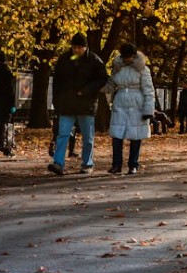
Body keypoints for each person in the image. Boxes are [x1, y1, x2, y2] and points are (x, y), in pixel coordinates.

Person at [48, 32, 108, 176]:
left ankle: (87, 164)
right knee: (62, 134)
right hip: (67, 104)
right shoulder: (64, 59)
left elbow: (102, 79)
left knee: (88, 137)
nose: (76, 50)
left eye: (79, 48)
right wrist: (57, 102)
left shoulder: (94, 60)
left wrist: (87, 90)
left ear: (85, 48)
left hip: (86, 104)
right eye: (74, 47)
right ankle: (58, 163)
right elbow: (57, 83)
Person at [106, 43, 155, 175]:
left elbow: (149, 90)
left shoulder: (143, 69)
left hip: (136, 103)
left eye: (130, 57)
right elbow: (111, 84)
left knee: (135, 136)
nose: (128, 60)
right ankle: (116, 164)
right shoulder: (117, 67)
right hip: (120, 101)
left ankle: (133, 164)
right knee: (117, 135)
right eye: (125, 57)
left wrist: (148, 110)